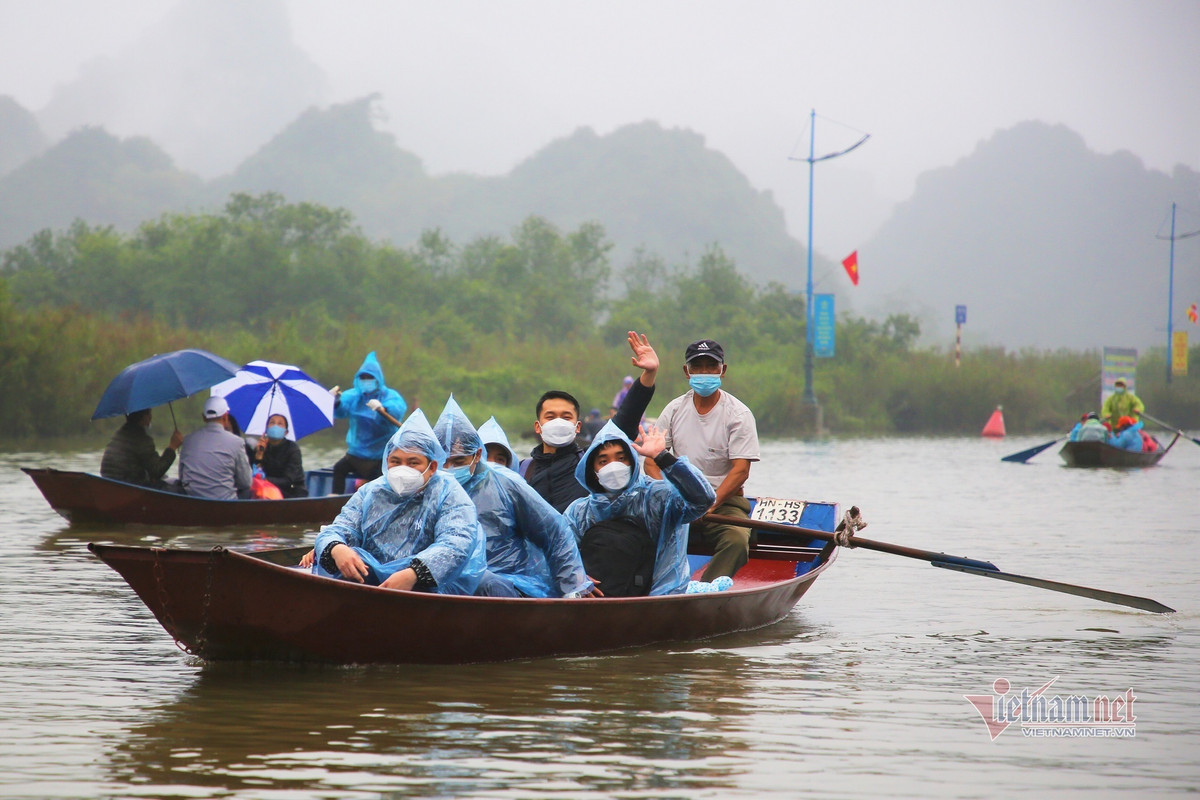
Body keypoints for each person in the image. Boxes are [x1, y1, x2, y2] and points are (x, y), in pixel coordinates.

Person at [433, 396, 595, 598]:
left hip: (504, 584)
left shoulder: (506, 482)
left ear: (476, 455)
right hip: (442, 580)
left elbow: (555, 532)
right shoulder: (429, 487)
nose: (450, 469)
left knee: (486, 582)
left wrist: (573, 584)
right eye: (444, 462)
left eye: (458, 461)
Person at [312, 409, 487, 594]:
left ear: (432, 467)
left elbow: (456, 542)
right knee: (348, 561)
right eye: (396, 461)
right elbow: (340, 528)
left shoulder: (448, 492)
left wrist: (414, 573)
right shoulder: (370, 491)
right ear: (387, 462)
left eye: (413, 463)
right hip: (371, 579)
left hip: (430, 586)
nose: (403, 469)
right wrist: (336, 547)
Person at [647, 338, 760, 582]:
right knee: (634, 531)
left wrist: (709, 504)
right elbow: (651, 460)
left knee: (737, 541)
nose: (705, 372)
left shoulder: (738, 414)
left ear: (723, 370)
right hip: (678, 499)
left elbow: (741, 471)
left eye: (711, 366)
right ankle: (647, 587)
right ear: (687, 372)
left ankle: (705, 589)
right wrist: (669, 497)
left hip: (723, 501)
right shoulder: (674, 409)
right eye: (698, 367)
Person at [564, 421, 715, 596]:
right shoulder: (580, 511)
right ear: (593, 471)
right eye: (603, 461)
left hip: (661, 600)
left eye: (621, 458)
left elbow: (703, 500)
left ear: (633, 461)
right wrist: (578, 579)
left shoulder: (659, 497)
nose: (613, 467)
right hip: (599, 599)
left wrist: (662, 457)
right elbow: (562, 554)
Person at [521, 331, 659, 513]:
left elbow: (623, 423)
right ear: (538, 427)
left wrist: (649, 375)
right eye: (550, 416)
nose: (559, 422)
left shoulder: (588, 463)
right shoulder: (523, 468)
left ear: (577, 426)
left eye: (566, 417)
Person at [331, 351, 408, 493]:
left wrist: (383, 408)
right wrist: (335, 402)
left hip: (380, 455)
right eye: (363, 377)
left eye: (370, 377)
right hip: (356, 454)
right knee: (338, 469)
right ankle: (334, 501)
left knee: (377, 481)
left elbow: (397, 410)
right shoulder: (354, 396)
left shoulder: (389, 396)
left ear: (378, 379)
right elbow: (341, 410)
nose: (366, 380)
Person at [179, 396, 253, 500]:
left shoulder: (187, 440)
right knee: (248, 492)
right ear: (225, 417)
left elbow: (182, 476)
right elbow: (246, 482)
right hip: (224, 505)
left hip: (194, 502)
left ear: (203, 417)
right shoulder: (237, 442)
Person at [100, 408, 184, 488]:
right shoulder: (142, 439)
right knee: (175, 488)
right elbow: (157, 471)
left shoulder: (119, 434)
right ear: (145, 417)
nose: (151, 417)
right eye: (149, 413)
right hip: (128, 488)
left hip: (109, 484)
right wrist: (172, 447)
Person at [249, 413, 308, 497]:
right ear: (266, 429)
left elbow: (288, 480)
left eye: (280, 424)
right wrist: (259, 455)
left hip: (291, 491)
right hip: (267, 489)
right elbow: (254, 473)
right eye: (272, 423)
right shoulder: (261, 447)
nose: (275, 426)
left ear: (286, 432)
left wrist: (266, 479)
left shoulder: (293, 449)